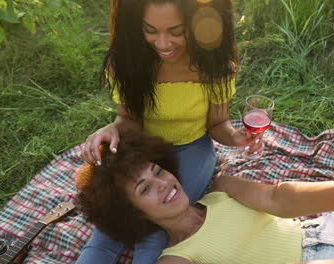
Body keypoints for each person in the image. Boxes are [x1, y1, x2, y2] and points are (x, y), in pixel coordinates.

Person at [76, 131, 334, 264]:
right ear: (131, 214)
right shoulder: (175, 259)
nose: (163, 183)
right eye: (145, 188)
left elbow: (279, 199)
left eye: (157, 170)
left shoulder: (219, 189)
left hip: (331, 223)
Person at [78, 0, 263, 263]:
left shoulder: (215, 65)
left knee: (159, 222)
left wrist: (236, 138)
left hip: (192, 148)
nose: (162, 43)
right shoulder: (127, 61)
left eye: (176, 31)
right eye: (150, 30)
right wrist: (113, 128)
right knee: (108, 230)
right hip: (143, 151)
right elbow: (128, 119)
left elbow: (217, 124)